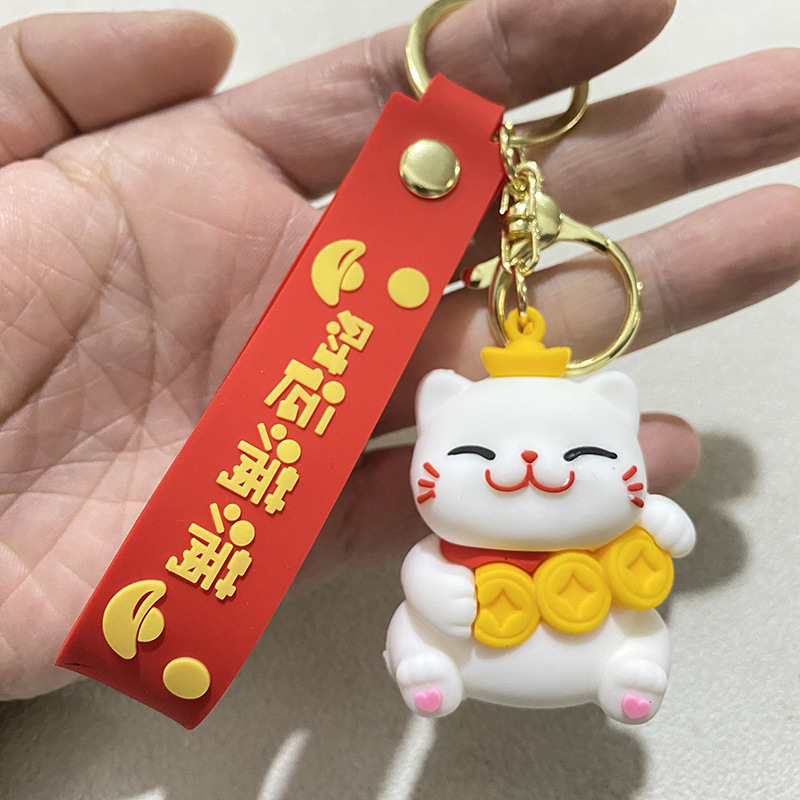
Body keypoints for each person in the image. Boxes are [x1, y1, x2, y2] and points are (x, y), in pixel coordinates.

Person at [0, 1, 797, 704]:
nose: (530, 468)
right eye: (477, 452)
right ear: (437, 413)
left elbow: (644, 518)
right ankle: (434, 672)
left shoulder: (599, 500)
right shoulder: (453, 522)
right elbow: (428, 567)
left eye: (588, 454)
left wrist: (655, 519)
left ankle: (624, 672)